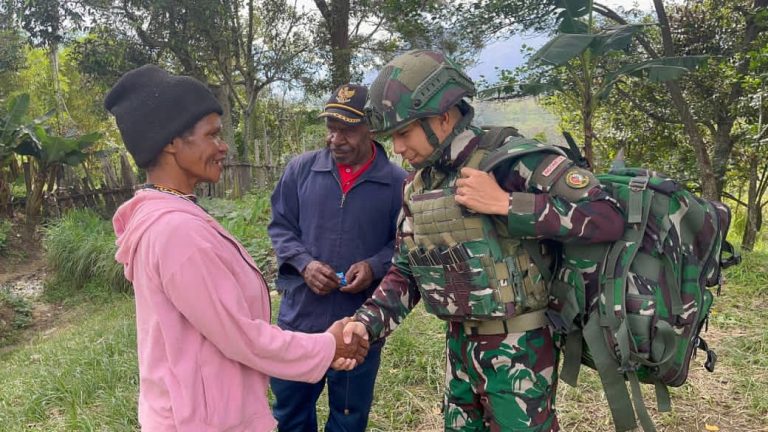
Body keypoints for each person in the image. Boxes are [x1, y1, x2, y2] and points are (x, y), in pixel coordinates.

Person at [343, 50, 624, 431]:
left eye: (404, 132)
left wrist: (507, 203)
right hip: (459, 349)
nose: (397, 149)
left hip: (519, 351)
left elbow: (606, 216)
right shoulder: (418, 185)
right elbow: (406, 271)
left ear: (443, 117)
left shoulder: (510, 161)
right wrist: (366, 323)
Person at [104, 65, 369, 432]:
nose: (223, 145)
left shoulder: (175, 214)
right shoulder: (177, 231)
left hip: (203, 407)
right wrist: (328, 346)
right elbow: (240, 336)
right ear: (170, 142)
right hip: (202, 420)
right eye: (212, 134)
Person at [267, 83, 407, 431]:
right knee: (290, 415)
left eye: (347, 130)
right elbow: (280, 227)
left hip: (358, 325)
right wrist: (304, 263)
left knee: (349, 419)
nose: (335, 139)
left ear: (371, 128)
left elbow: (405, 245)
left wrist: (374, 265)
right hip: (300, 319)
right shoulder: (300, 171)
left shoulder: (397, 183)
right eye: (331, 128)